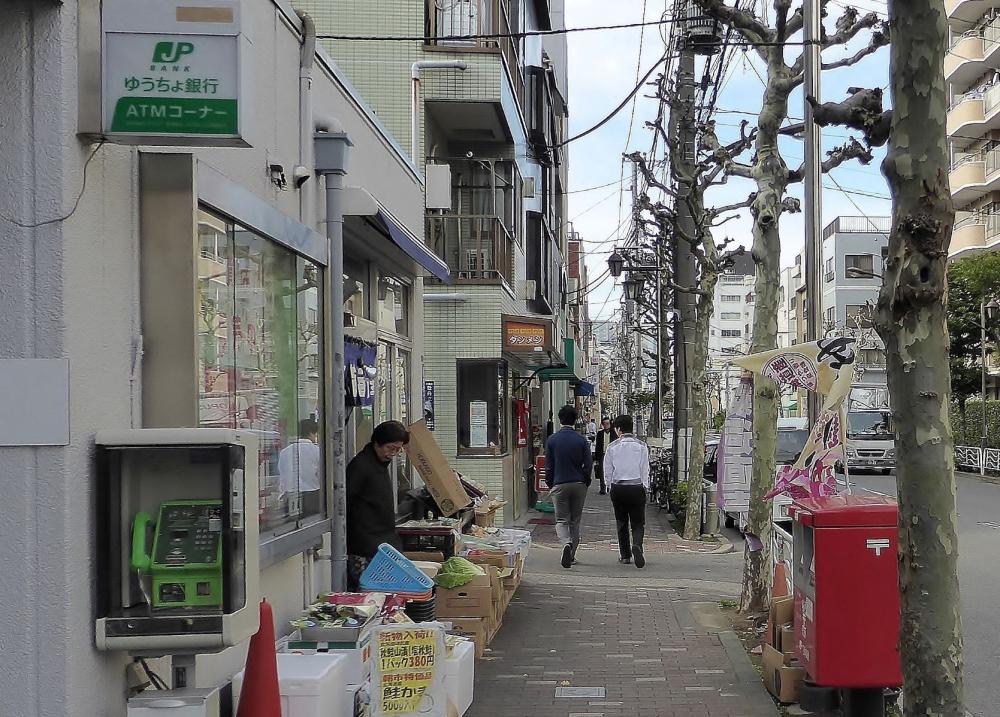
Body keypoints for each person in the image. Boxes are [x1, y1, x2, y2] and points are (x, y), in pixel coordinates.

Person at [346, 420, 409, 590]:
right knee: (369, 594)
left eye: (397, 450)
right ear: (377, 442)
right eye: (390, 448)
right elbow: (345, 502)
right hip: (365, 547)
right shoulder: (361, 466)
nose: (392, 454)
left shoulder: (378, 465)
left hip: (382, 544)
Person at [545, 404, 593, 569]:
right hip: (579, 483)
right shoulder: (581, 440)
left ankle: (566, 543)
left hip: (559, 483)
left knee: (561, 520)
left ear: (560, 420)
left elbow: (548, 466)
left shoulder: (552, 440)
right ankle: (571, 554)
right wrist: (586, 480)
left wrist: (550, 483)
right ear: (575, 420)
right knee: (575, 521)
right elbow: (588, 464)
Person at [603, 415, 650, 569]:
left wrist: (608, 486)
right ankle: (637, 545)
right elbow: (645, 469)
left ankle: (625, 555)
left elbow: (608, 470)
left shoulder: (612, 447)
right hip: (636, 486)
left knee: (621, 522)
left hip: (619, 488)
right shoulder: (642, 446)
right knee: (638, 522)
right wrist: (645, 486)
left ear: (618, 429)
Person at [278, 418, 321, 516]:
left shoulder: (285, 452)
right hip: (312, 497)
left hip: (290, 496)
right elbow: (321, 475)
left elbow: (282, 475)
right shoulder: (317, 451)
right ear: (311, 433)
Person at [593, 417, 613, 495]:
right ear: (602, 425)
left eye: (608, 424)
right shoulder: (600, 433)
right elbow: (597, 445)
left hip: (611, 455)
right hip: (602, 454)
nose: (606, 425)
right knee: (602, 471)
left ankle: (610, 487)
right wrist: (596, 457)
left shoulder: (613, 433)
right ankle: (602, 488)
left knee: (611, 471)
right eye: (605, 424)